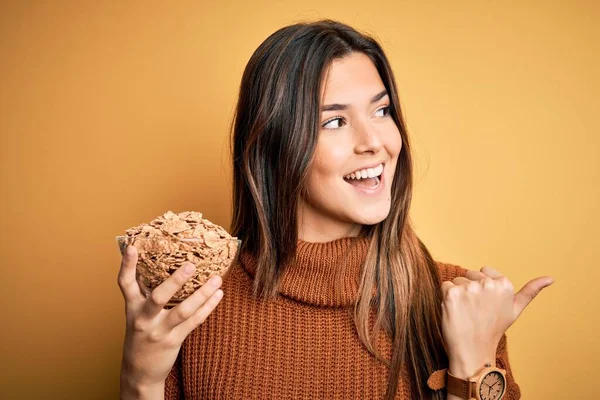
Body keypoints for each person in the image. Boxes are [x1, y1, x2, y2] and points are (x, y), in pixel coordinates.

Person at [117, 19, 554, 400]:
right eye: (334, 121)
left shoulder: (461, 302)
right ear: (274, 146)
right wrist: (140, 380)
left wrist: (474, 366)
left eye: (382, 110)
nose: (374, 142)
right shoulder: (192, 305)